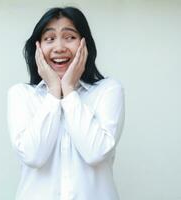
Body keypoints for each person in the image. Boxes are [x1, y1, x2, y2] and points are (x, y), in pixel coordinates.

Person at [7, 6, 125, 200]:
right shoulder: (21, 95)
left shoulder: (108, 90)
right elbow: (33, 156)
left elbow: (95, 153)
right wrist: (54, 91)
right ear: (37, 48)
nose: (59, 47)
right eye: (49, 39)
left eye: (70, 37)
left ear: (84, 44)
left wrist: (69, 89)